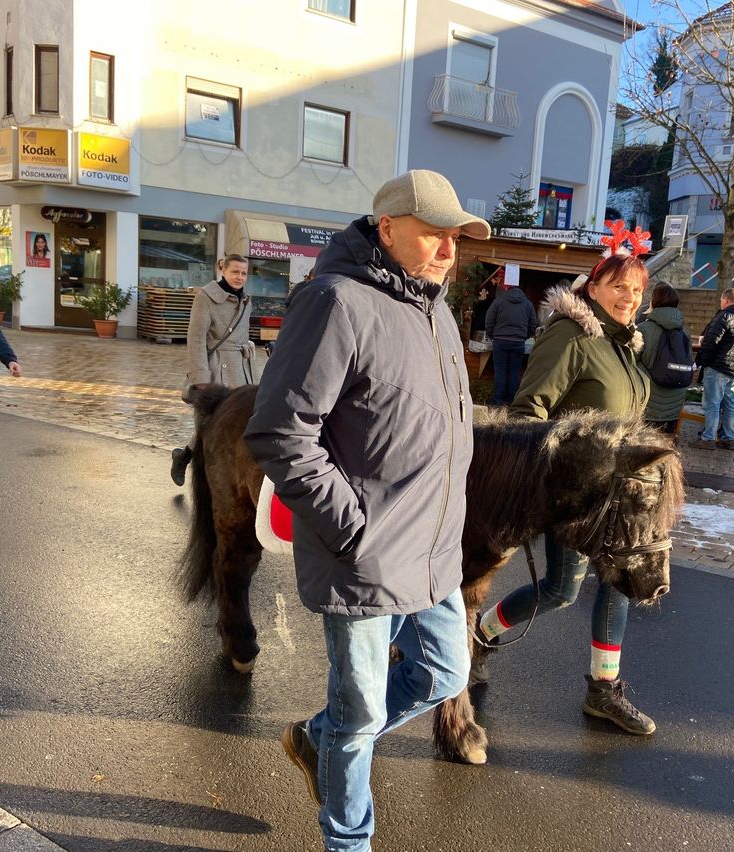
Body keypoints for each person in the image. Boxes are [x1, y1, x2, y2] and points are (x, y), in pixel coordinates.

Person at [243, 169, 490, 852]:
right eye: (433, 233)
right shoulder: (335, 301)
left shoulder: (436, 310)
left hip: (434, 549)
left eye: (456, 237)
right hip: (365, 555)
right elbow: (280, 432)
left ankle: (316, 739)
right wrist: (352, 528)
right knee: (360, 716)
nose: (448, 250)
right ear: (387, 227)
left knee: (444, 673)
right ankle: (348, 841)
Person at [475, 226, 657, 737]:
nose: (629, 298)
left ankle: (603, 690)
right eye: (618, 286)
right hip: (574, 493)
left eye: (636, 289)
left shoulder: (623, 345)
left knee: (618, 585)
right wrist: (555, 477)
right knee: (559, 591)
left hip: (617, 497)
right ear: (593, 288)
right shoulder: (573, 336)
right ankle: (480, 635)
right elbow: (527, 411)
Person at [170, 253, 255, 486]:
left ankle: (201, 460)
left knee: (237, 420)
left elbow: (243, 337)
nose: (240, 277)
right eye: (235, 271)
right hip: (215, 367)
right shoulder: (206, 297)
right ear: (223, 270)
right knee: (210, 423)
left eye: (244, 273)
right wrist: (201, 377)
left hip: (240, 368)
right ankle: (187, 460)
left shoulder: (246, 300)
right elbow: (196, 338)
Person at [691, 287, 734, 452]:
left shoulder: (725, 316)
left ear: (726, 300)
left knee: (712, 402)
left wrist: (701, 362)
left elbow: (710, 342)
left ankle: (708, 438)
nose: (721, 303)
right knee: (731, 402)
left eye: (721, 300)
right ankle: (728, 438)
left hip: (719, 366)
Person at [637, 282, 692, 434]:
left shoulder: (643, 329)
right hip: (674, 404)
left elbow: (630, 361)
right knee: (666, 443)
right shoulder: (684, 333)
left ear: (654, 302)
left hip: (649, 404)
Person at [485, 277, 537, 405]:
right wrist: (524, 336)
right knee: (515, 371)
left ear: (507, 288)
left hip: (500, 341)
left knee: (500, 370)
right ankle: (511, 400)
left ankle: (498, 400)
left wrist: (492, 335)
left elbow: (489, 320)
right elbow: (533, 324)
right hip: (518, 342)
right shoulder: (528, 304)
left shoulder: (499, 301)